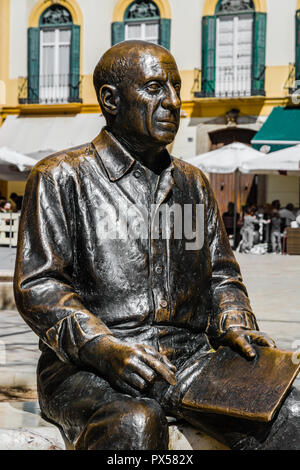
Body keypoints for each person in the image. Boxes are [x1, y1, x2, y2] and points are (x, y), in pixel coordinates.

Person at [14, 41, 300, 451]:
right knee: (135, 423)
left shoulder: (194, 183)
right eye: (153, 88)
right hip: (88, 366)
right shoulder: (61, 177)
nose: (173, 101)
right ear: (111, 100)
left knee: (292, 412)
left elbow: (221, 276)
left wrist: (235, 321)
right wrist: (104, 347)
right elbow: (40, 286)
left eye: (176, 87)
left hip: (191, 359)